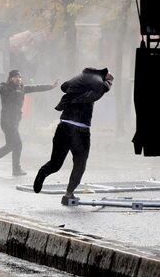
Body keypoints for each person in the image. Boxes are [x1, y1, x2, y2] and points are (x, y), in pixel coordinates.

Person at [33, 67, 113, 206]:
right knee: (80, 163)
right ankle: (69, 194)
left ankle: (42, 172)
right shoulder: (97, 81)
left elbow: (64, 86)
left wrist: (76, 90)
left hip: (64, 126)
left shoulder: (80, 79)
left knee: (56, 163)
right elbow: (102, 88)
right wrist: (108, 84)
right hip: (80, 130)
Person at [0, 70, 58, 177]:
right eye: (16, 77)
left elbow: (36, 87)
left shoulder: (22, 88)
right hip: (7, 121)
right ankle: (16, 169)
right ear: (10, 79)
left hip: (15, 121)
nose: (18, 79)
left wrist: (51, 86)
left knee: (10, 146)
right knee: (18, 144)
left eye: (20, 77)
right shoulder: (4, 88)